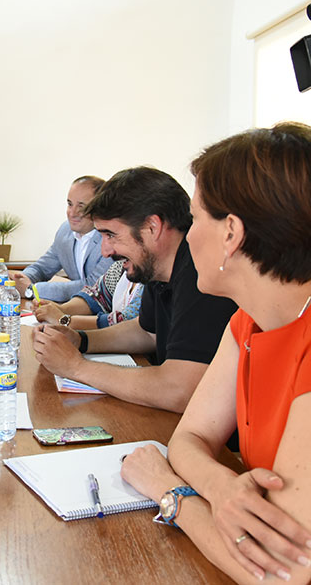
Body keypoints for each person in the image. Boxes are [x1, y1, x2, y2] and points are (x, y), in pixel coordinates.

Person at [120, 124, 311, 583]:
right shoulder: (246, 321)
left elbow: (280, 573)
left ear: (231, 233)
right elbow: (190, 437)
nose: (187, 237)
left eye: (194, 219)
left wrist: (171, 492)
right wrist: (219, 485)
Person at [32, 166, 237, 413]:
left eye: (111, 235)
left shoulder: (200, 274)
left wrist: (76, 367)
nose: (105, 251)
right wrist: (81, 340)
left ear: (152, 227)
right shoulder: (156, 267)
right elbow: (147, 332)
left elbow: (179, 389)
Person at [11, 176, 112, 302]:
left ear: (99, 208)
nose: (72, 213)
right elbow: (42, 268)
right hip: (75, 308)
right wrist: (21, 278)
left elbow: (94, 286)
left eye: (81, 206)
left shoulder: (110, 239)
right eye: (70, 204)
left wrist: (33, 290)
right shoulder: (66, 230)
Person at [33, 259, 143, 330]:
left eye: (111, 236)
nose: (104, 252)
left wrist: (64, 320)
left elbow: (127, 323)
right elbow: (97, 296)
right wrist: (63, 309)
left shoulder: (150, 278)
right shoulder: (120, 265)